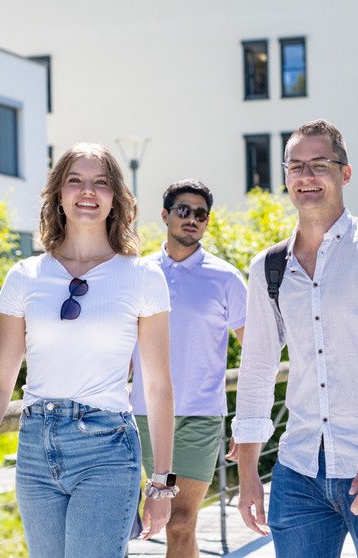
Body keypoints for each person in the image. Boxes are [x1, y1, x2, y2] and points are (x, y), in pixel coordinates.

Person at [0, 143, 177, 557]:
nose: (87, 191)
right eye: (75, 180)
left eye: (100, 182)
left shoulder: (142, 276)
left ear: (115, 198)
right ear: (57, 194)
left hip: (106, 450)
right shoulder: (26, 275)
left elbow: (158, 385)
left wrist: (162, 480)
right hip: (35, 447)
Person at [232, 119, 358, 558]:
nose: (306, 176)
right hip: (299, 468)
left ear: (345, 173)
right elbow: (257, 370)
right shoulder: (268, 267)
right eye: (295, 166)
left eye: (320, 164)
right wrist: (249, 470)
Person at [131, 179, 246, 558]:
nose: (192, 219)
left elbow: (257, 351)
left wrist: (247, 418)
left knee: (181, 521)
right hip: (144, 414)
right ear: (165, 216)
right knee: (159, 522)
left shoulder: (226, 277)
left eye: (200, 214)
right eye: (183, 211)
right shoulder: (137, 273)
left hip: (200, 415)